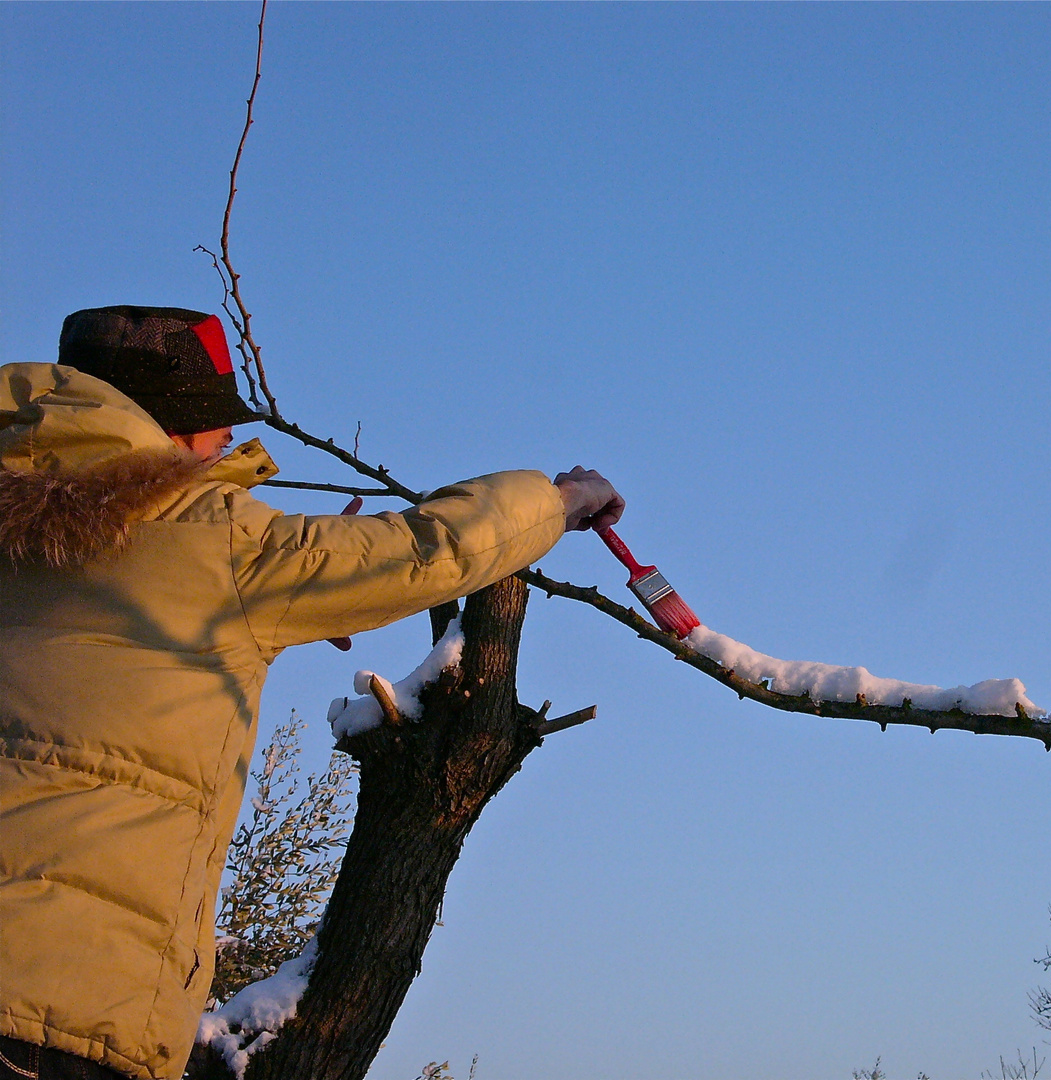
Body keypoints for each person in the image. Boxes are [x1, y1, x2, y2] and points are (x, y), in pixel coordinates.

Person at [0, 306, 623, 1080]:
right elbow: (428, 550)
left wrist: (275, 594)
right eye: (213, 424)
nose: (227, 442)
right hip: (57, 1016)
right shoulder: (219, 544)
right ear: (166, 428)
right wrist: (558, 500)